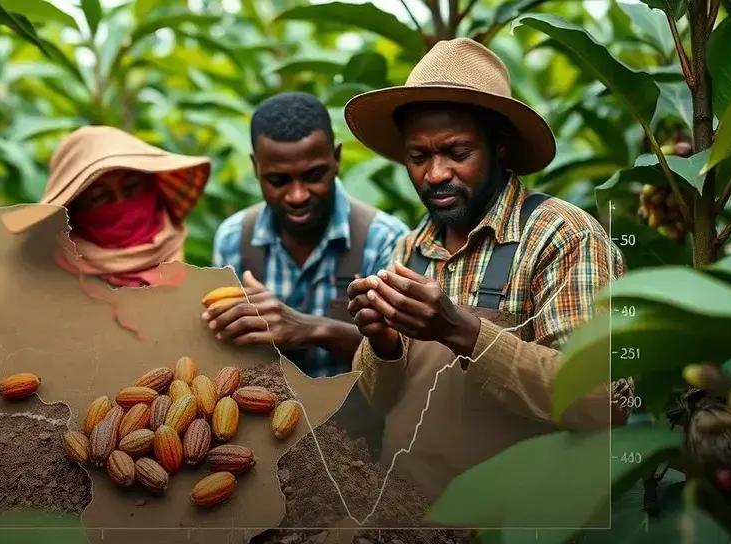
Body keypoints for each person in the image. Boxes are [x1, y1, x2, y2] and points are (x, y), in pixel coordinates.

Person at [342, 39, 628, 498]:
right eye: (418, 157)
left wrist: (462, 330)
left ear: (500, 145)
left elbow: (604, 402)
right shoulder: (409, 248)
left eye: (457, 153)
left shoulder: (562, 237)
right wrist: (383, 342)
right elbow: (379, 399)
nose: (435, 174)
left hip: (510, 538)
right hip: (403, 531)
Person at [207, 93, 409, 377]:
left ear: (336, 159)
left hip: (357, 418)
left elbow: (404, 360)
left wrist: (313, 329)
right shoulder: (234, 238)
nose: (298, 195)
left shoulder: (383, 239)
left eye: (314, 176)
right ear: (256, 168)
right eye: (278, 181)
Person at [1, 126, 210, 287]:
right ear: (73, 213)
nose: (120, 205)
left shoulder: (201, 290)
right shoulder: (42, 284)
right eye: (99, 198)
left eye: (131, 187)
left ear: (152, 187)